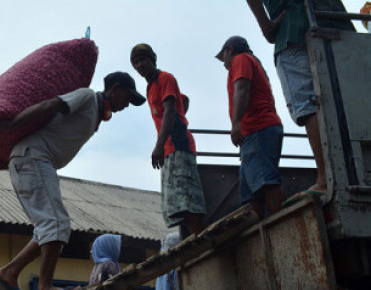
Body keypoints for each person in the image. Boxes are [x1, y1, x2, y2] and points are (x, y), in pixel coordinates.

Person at [0, 72, 146, 290]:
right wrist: (11, 124)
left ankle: (9, 272)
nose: (127, 104)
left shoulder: (95, 116)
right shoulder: (88, 97)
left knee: (47, 229)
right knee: (57, 224)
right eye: (127, 97)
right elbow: (51, 105)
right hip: (34, 158)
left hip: (33, 160)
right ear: (115, 88)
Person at [247, 0, 355, 200]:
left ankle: (325, 179)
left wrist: (267, 29)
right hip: (339, 28)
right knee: (349, 103)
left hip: (293, 31)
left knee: (309, 106)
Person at [130, 43, 207, 239]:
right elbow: (183, 100)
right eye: (136, 62)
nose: (140, 65)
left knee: (186, 200)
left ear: (152, 59)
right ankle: (194, 242)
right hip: (168, 149)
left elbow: (171, 109)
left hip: (179, 145)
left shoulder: (165, 78)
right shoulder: (151, 86)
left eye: (143, 59)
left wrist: (158, 145)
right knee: (177, 205)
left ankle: (203, 242)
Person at [216, 36, 287, 217]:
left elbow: (242, 88)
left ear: (229, 50)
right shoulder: (253, 62)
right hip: (254, 134)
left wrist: (236, 123)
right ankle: (262, 237)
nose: (223, 62)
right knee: (251, 195)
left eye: (222, 56)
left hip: (258, 129)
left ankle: (287, 227)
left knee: (266, 183)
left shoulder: (241, 59)